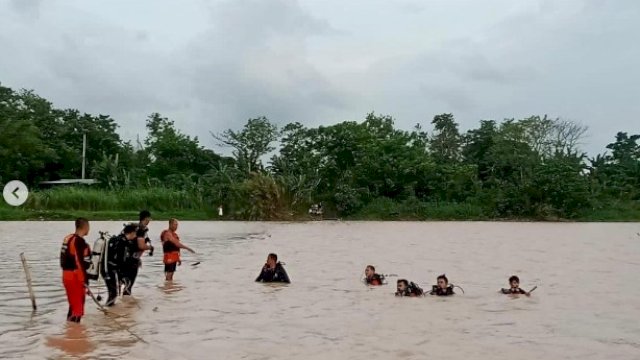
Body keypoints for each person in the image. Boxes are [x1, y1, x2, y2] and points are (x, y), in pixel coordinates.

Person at [60, 218, 91, 322]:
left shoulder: (68, 238)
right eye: (89, 227)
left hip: (66, 275)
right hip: (75, 277)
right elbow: (79, 263)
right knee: (78, 307)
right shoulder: (79, 241)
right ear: (85, 227)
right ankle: (75, 335)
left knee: (73, 306)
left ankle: (70, 331)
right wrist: (85, 280)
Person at [101, 224, 138, 306]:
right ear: (131, 233)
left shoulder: (118, 240)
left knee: (113, 293)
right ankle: (108, 310)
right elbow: (119, 261)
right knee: (113, 293)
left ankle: (109, 311)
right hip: (109, 270)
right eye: (135, 233)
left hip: (107, 269)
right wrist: (122, 275)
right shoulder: (121, 242)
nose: (136, 236)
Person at [120, 210, 154, 296]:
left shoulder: (133, 227)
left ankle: (120, 303)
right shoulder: (141, 230)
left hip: (124, 258)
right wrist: (150, 247)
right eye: (149, 218)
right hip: (131, 261)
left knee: (123, 282)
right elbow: (141, 246)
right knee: (129, 285)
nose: (149, 220)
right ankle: (127, 305)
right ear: (146, 218)